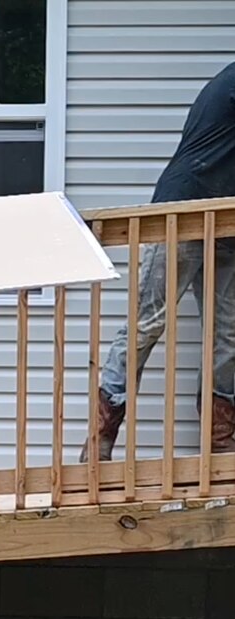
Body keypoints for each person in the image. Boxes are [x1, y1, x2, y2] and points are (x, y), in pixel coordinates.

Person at [88, 60, 235, 462]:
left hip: (228, 223)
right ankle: (101, 437)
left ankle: (220, 444)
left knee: (228, 336)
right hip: (183, 211)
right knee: (147, 323)